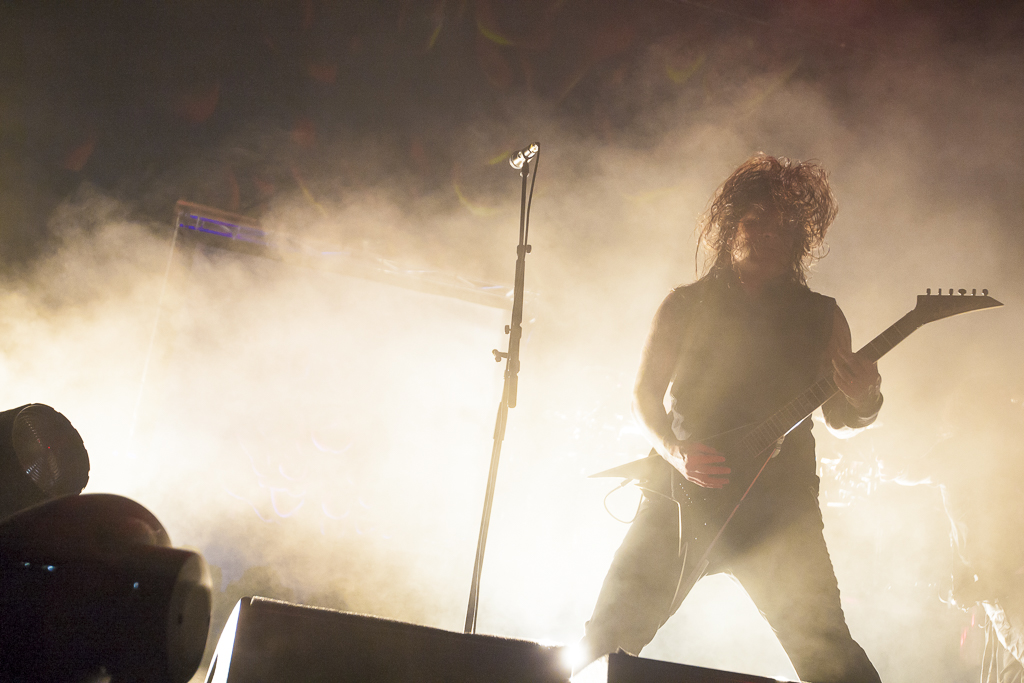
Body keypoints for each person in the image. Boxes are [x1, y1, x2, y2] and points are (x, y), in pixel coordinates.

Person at [579, 155, 884, 682]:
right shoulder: (685, 304)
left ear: (798, 239)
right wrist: (677, 453)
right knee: (606, 639)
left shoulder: (823, 316)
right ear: (730, 226)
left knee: (831, 659)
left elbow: (839, 415)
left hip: (779, 510)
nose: (766, 236)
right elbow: (644, 397)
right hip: (681, 497)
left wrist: (866, 396)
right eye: (755, 222)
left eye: (781, 227)